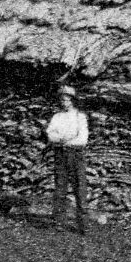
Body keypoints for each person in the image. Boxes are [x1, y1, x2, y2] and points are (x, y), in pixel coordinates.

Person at [45, 83, 90, 238]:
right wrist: (62, 139)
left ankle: (82, 225)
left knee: (80, 188)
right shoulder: (56, 117)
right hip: (60, 155)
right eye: (62, 100)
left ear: (73, 101)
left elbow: (82, 139)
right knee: (60, 189)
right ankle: (59, 223)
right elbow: (50, 134)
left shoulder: (80, 117)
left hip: (76, 155)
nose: (64, 103)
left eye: (67, 100)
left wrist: (66, 141)